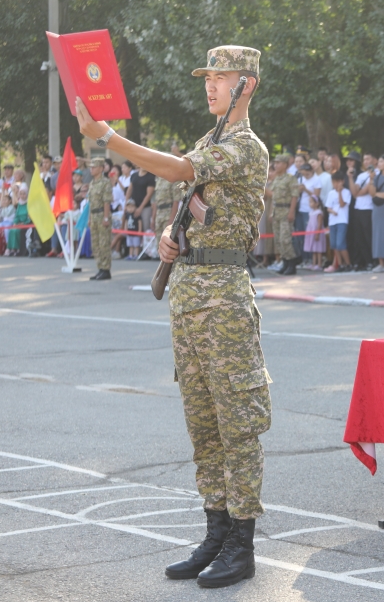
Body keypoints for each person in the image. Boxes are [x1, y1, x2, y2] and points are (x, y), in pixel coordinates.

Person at [75, 45, 271, 588]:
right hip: (190, 298)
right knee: (203, 425)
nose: (210, 86)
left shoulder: (246, 147)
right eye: (207, 77)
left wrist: (108, 137)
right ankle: (215, 531)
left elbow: (180, 170)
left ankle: (242, 543)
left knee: (237, 426)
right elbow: (190, 206)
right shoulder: (209, 141)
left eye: (221, 77)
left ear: (245, 84)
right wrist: (168, 238)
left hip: (225, 302)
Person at [270, 153, 298, 275]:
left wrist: (292, 211)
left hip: (286, 211)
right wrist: (272, 212)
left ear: (285, 165)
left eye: (278, 163)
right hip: (277, 212)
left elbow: (294, 196)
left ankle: (292, 263)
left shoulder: (290, 178)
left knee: (285, 239)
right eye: (275, 163)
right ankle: (285, 262)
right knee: (278, 240)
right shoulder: (276, 179)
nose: (275, 165)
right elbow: (273, 197)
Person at [349, 153, 376, 270]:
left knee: (368, 236)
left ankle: (372, 261)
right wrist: (350, 177)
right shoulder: (361, 175)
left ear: (375, 160)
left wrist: (357, 193)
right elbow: (354, 192)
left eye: (368, 158)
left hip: (369, 209)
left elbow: (363, 192)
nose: (366, 161)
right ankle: (364, 261)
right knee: (358, 237)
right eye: (364, 159)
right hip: (358, 209)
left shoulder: (376, 174)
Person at [87, 158, 113, 279]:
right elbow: (91, 203)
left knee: (104, 243)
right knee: (95, 244)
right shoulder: (92, 184)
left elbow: (106, 202)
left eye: (94, 167)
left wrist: (106, 218)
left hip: (102, 214)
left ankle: (106, 269)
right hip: (94, 215)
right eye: (91, 167)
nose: (91, 169)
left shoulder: (105, 182)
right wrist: (89, 218)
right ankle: (100, 268)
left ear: (101, 168)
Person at [325, 170, 351, 272]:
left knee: (340, 244)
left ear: (342, 181)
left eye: (337, 182)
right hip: (332, 221)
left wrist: (339, 192)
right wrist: (332, 211)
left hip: (342, 220)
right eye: (333, 182)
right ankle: (340, 264)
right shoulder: (331, 193)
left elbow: (342, 204)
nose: (335, 184)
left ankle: (348, 264)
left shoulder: (346, 192)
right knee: (334, 245)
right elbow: (328, 207)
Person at [303, 195, 326, 270]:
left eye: (312, 202)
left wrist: (317, 233)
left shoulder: (319, 212)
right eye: (309, 202)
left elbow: (319, 224)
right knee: (314, 249)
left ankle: (319, 264)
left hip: (317, 233)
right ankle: (313, 264)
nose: (310, 204)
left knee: (318, 249)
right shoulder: (311, 212)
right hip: (311, 232)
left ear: (317, 203)